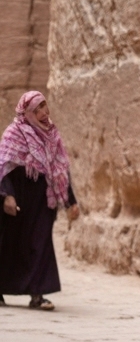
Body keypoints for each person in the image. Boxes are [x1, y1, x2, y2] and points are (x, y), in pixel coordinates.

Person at [0, 90, 80, 310]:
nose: (45, 112)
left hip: (44, 199)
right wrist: (7, 196)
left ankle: (38, 294)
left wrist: (70, 201)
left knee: (41, 243)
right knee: (10, 244)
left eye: (45, 106)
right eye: (38, 109)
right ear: (27, 112)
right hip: (17, 198)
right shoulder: (13, 133)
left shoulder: (52, 135)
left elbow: (60, 170)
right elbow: (3, 168)